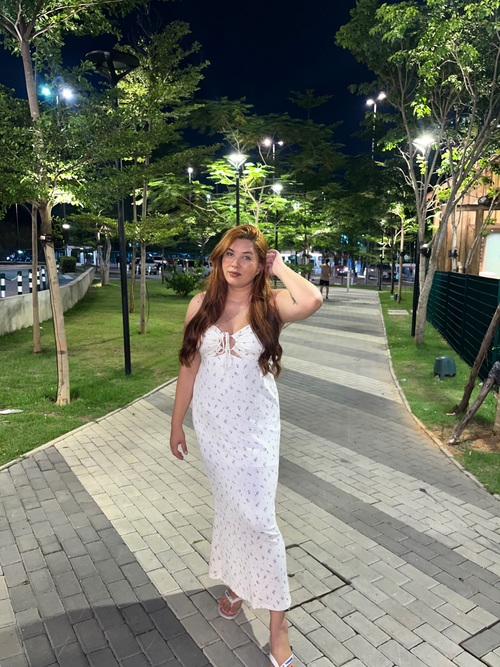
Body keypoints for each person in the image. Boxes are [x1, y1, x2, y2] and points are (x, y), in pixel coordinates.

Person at [169, 225, 322, 667]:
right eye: (229, 255)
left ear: (260, 266)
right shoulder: (200, 305)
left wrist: (282, 267)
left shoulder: (270, 306)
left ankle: (279, 624)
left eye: (247, 257)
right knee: (231, 509)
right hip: (213, 429)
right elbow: (188, 368)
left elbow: (312, 300)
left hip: (255, 431)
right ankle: (237, 584)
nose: (235, 263)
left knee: (259, 520)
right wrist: (177, 424)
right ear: (219, 259)